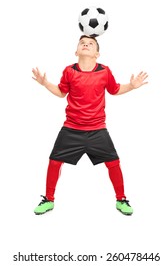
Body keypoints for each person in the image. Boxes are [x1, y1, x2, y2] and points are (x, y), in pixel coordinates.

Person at [32, 35, 148, 216]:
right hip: (72, 128)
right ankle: (48, 199)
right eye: (82, 43)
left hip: (97, 130)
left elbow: (115, 90)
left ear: (97, 54)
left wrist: (132, 86)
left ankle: (121, 199)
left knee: (114, 162)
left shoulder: (104, 71)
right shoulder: (69, 71)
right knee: (54, 161)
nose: (86, 44)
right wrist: (45, 83)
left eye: (91, 43)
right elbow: (62, 93)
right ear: (76, 51)